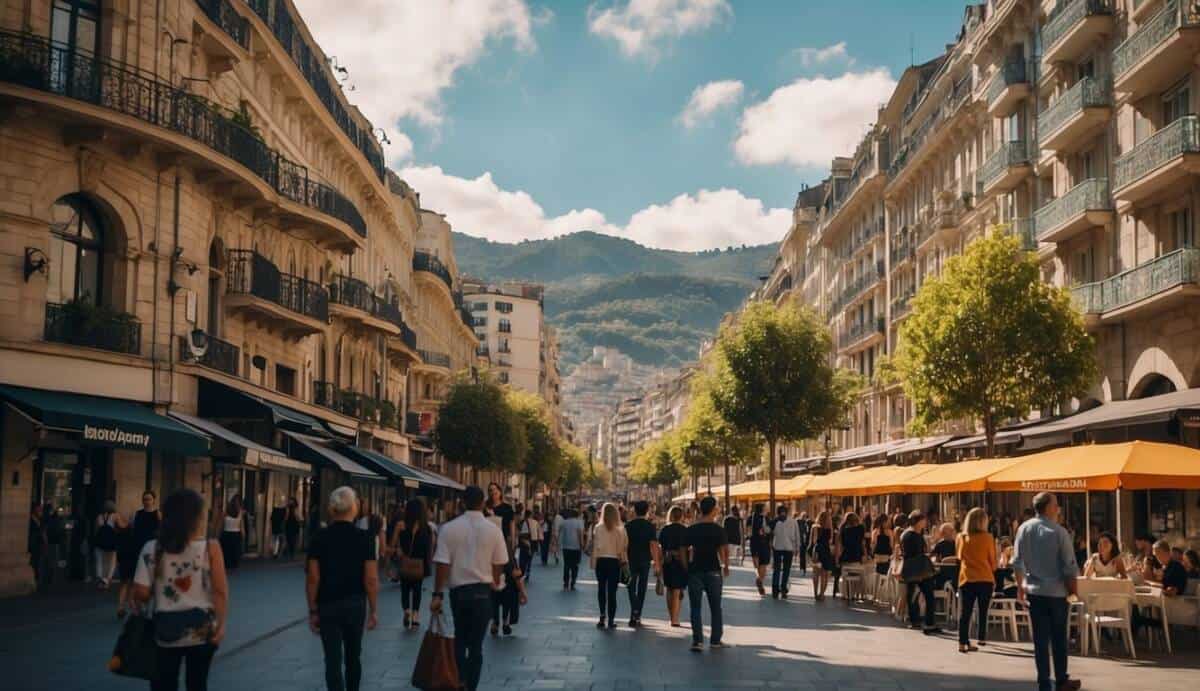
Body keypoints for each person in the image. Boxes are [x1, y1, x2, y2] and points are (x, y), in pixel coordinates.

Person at [132, 489, 228, 691]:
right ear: (196, 518)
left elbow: (140, 592)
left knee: (164, 684)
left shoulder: (152, 548)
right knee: (197, 683)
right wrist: (220, 625)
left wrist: (158, 589)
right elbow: (220, 591)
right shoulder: (211, 548)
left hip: (164, 630)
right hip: (203, 629)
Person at [430, 485, 508, 691]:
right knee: (476, 646)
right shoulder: (494, 530)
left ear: (462, 502)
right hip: (483, 593)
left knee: (460, 639)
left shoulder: (449, 528)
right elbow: (500, 561)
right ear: (483, 503)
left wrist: (437, 593)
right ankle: (470, 685)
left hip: (459, 593)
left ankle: (461, 679)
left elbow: (441, 563)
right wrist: (494, 578)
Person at [1012, 492, 1080, 691]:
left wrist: (1020, 588)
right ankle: (1061, 679)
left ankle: (1044, 682)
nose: (1058, 509)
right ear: (1049, 508)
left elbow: (1017, 563)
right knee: (1059, 638)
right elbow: (1070, 567)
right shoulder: (1060, 532)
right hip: (1058, 593)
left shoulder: (1024, 529)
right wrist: (1073, 592)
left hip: (1034, 591)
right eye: (1056, 505)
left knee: (1040, 640)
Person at [685, 496, 729, 652]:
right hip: (713, 570)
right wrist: (726, 566)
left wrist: (686, 565)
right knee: (715, 606)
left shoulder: (692, 529)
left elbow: (685, 549)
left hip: (695, 570)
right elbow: (723, 550)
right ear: (713, 510)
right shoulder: (718, 529)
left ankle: (697, 641)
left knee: (695, 607)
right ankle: (715, 640)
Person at [956, 507, 996, 654]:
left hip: (966, 578)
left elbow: (959, 557)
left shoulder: (961, 537)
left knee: (965, 612)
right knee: (983, 610)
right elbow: (993, 561)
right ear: (983, 522)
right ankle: (981, 638)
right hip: (985, 578)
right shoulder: (988, 537)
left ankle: (962, 642)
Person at [119, 492, 161, 618]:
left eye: (149, 499)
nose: (146, 501)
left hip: (151, 549)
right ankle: (125, 606)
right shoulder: (137, 514)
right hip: (136, 548)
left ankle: (141, 605)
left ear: (154, 500)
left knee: (147, 577)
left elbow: (162, 528)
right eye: (144, 499)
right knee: (132, 578)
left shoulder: (157, 514)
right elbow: (130, 528)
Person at [395, 498, 433, 631]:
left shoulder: (401, 525)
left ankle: (407, 611)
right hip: (419, 564)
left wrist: (398, 550)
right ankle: (416, 615)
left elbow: (393, 544)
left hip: (405, 561)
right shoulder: (427, 528)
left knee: (404, 589)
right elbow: (430, 548)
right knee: (417, 589)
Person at [590, 502, 628, 630]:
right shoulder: (620, 529)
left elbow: (595, 546)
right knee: (612, 592)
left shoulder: (597, 528)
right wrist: (623, 561)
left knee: (601, 589)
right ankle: (611, 619)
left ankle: (602, 616)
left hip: (601, 561)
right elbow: (623, 548)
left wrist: (593, 562)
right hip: (614, 562)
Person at [900, 510, 939, 635]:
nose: (925, 522)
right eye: (923, 520)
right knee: (921, 595)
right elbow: (914, 553)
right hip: (917, 569)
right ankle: (925, 622)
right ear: (918, 521)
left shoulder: (913, 534)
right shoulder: (911, 535)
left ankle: (920, 621)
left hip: (916, 568)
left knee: (916, 595)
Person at [624, 500, 659, 627]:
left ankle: (634, 609)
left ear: (634, 510)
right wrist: (656, 563)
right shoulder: (650, 526)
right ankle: (638, 613)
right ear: (647, 511)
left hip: (631, 560)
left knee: (630, 586)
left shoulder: (628, 526)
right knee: (642, 587)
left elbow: (624, 545)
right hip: (645, 560)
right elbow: (654, 545)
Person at [658, 505, 689, 627]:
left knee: (670, 589)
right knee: (677, 590)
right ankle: (675, 619)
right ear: (681, 516)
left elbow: (660, 547)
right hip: (681, 561)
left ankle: (671, 616)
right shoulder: (685, 529)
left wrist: (659, 564)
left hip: (667, 561)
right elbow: (688, 547)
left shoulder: (665, 529)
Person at [770, 504, 800, 599]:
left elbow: (769, 532)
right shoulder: (792, 521)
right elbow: (797, 535)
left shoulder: (775, 521)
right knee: (785, 569)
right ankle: (782, 589)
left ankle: (776, 590)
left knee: (778, 569)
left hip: (779, 548)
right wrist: (797, 548)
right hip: (787, 548)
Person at [93, 500, 125, 589]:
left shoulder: (99, 517)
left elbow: (96, 531)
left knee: (99, 561)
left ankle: (100, 581)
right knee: (112, 562)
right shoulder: (115, 516)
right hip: (111, 543)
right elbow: (122, 527)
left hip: (99, 543)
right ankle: (107, 581)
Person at [558, 508, 585, 591]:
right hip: (576, 547)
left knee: (566, 565)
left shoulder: (564, 522)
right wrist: (582, 545)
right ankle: (573, 583)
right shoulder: (579, 522)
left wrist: (558, 543)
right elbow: (580, 534)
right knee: (575, 566)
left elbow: (560, 532)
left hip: (566, 546)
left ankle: (566, 583)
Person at [810, 510, 834, 601]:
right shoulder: (830, 528)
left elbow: (814, 541)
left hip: (817, 552)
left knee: (816, 573)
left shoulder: (815, 527)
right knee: (825, 574)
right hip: (826, 551)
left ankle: (815, 593)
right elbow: (830, 541)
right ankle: (822, 594)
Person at [748, 503, 771, 596]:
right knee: (763, 564)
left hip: (754, 543)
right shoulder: (766, 518)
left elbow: (749, 532)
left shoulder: (751, 518)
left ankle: (759, 579)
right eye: (766, 507)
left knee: (756, 565)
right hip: (764, 544)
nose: (767, 508)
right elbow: (768, 531)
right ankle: (759, 580)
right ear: (762, 509)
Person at [486, 483, 516, 554]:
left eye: (495, 490)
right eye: (490, 490)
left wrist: (513, 541)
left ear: (500, 492)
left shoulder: (507, 508)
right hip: (488, 541)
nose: (493, 492)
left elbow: (512, 525)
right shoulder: (485, 507)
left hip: (503, 540)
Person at [218, 496, 245, 571]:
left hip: (226, 534)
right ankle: (234, 565)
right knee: (235, 551)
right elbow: (241, 526)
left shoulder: (226, 512)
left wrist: (218, 534)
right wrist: (243, 535)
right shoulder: (240, 512)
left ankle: (227, 564)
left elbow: (221, 525)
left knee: (226, 551)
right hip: (236, 534)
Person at [516, 509, 536, 582]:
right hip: (531, 542)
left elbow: (519, 533)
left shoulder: (522, 522)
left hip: (524, 543)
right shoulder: (534, 522)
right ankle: (527, 572)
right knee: (529, 559)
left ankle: (523, 572)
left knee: (523, 559)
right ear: (530, 515)